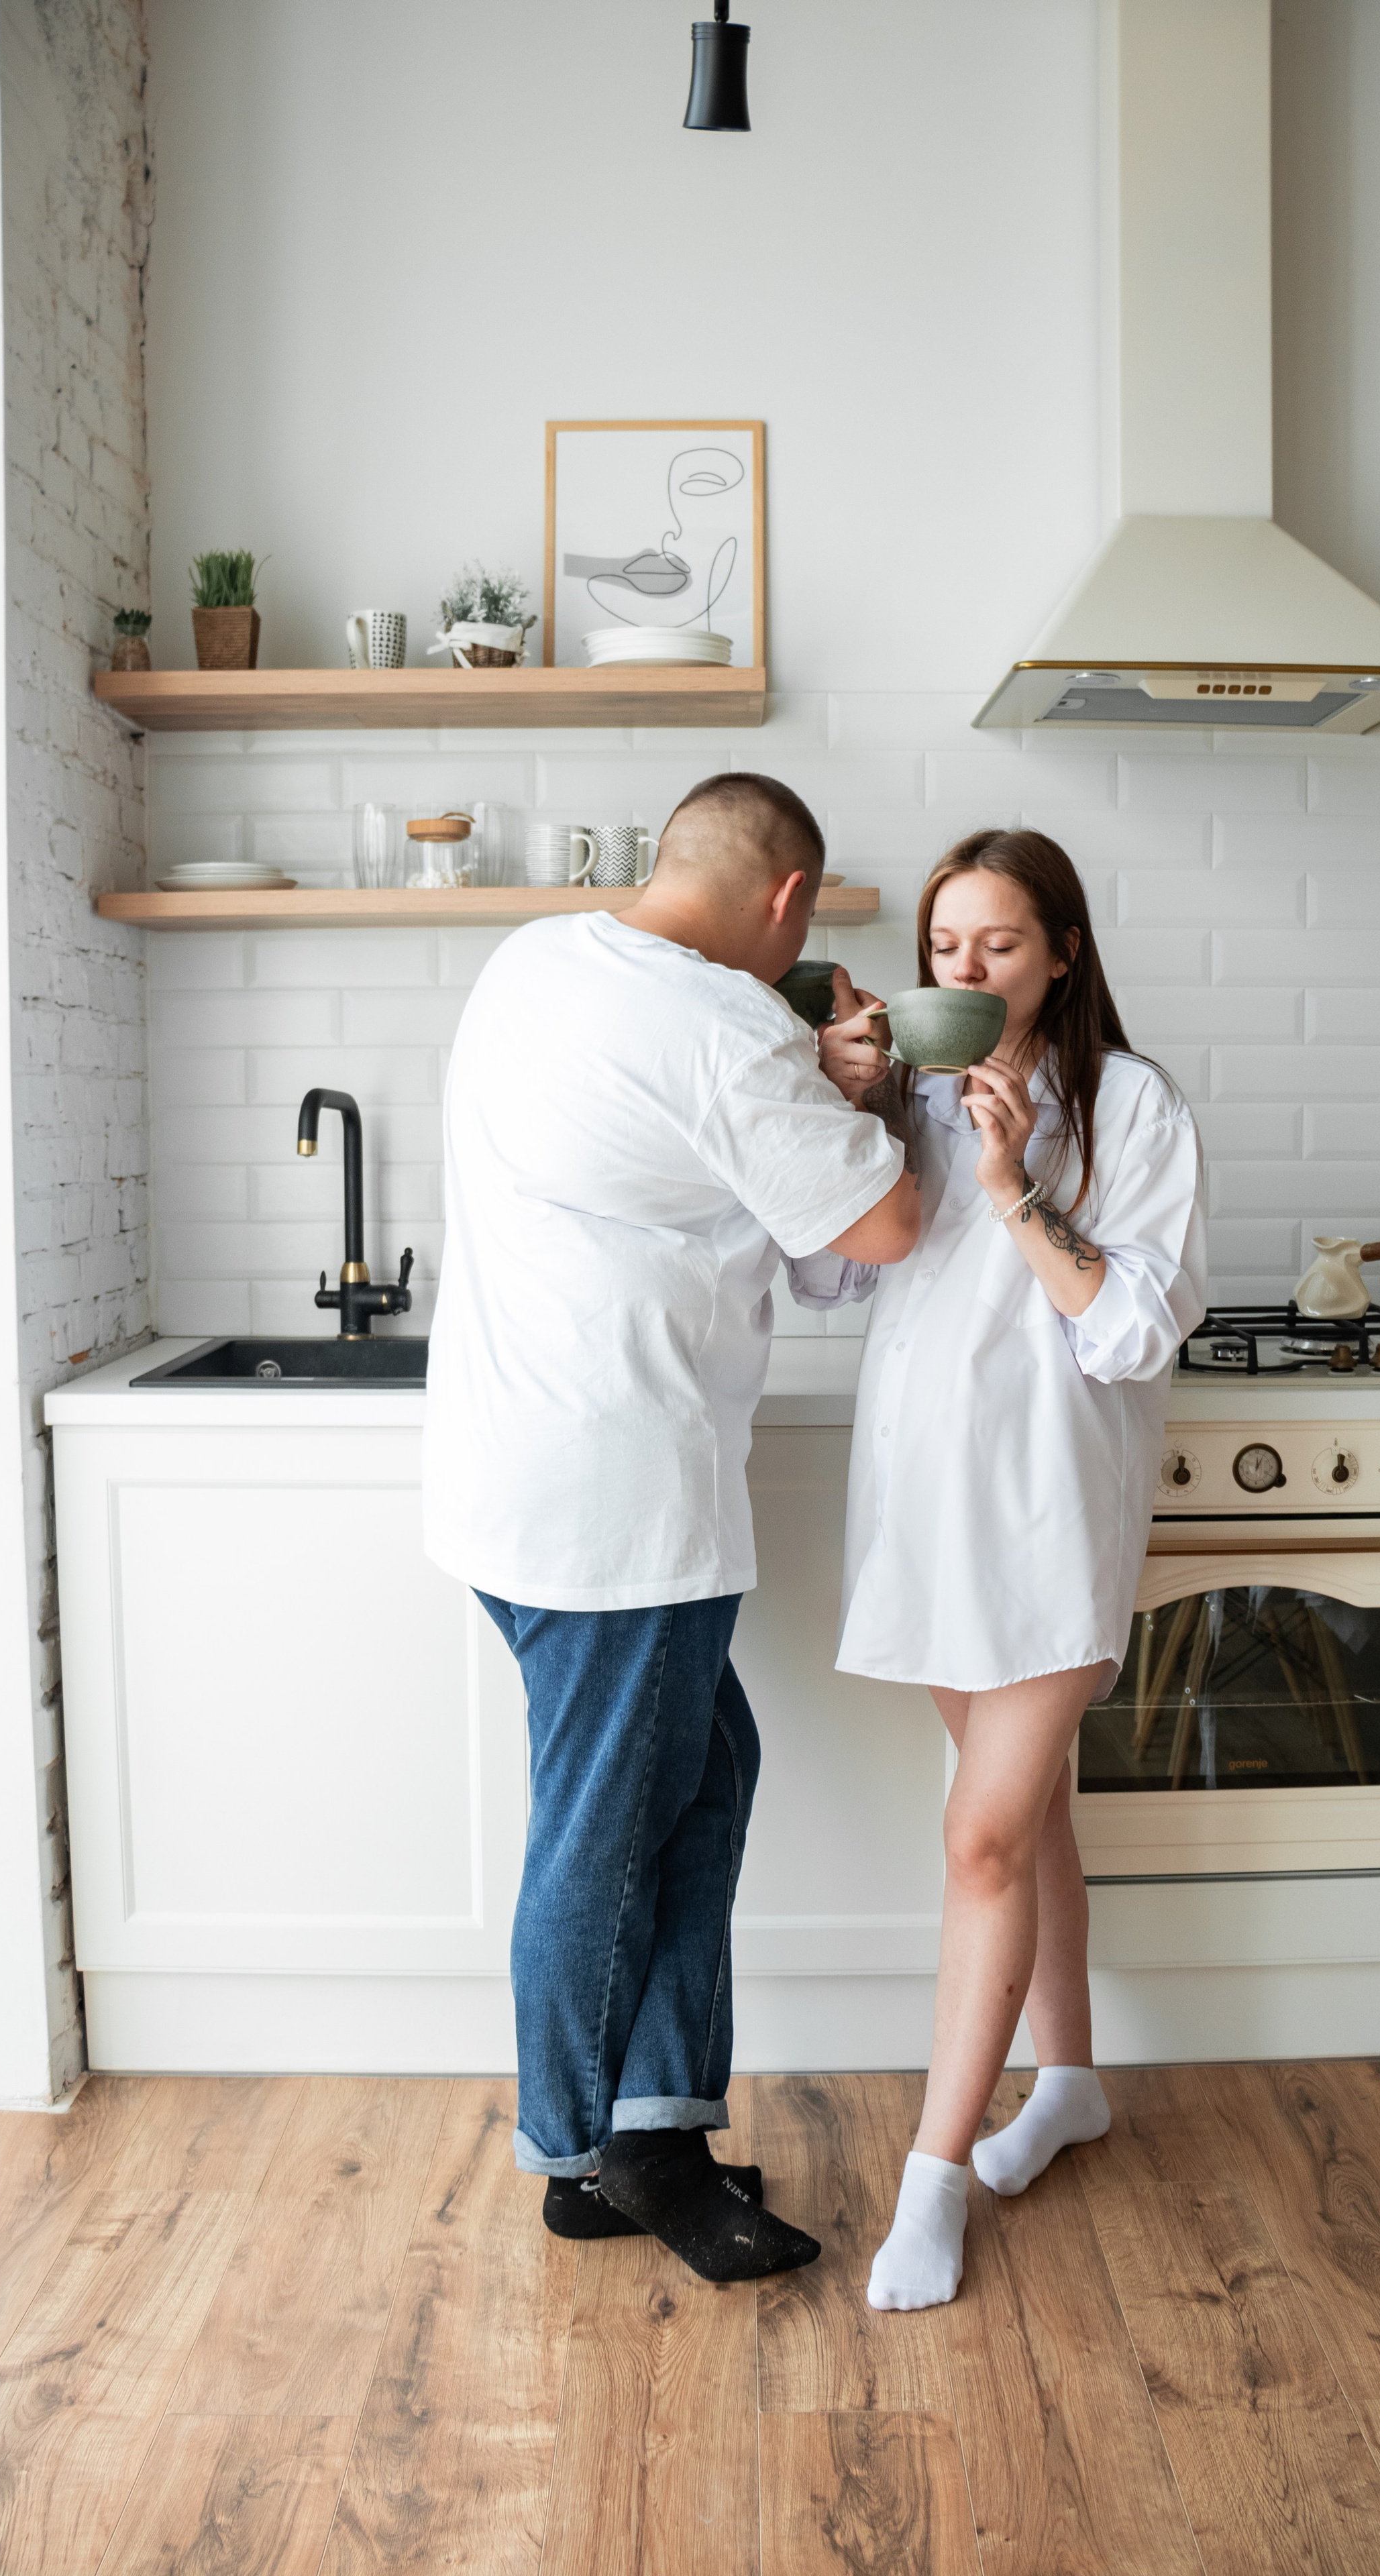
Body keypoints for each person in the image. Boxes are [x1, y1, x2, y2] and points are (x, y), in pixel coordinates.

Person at [423, 771, 919, 2281]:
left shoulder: (536, 959)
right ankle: (597, 2155)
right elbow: (879, 1229)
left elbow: (689, 1153)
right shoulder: (725, 1029)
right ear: (786, 904)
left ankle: (641, 2124)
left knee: (700, 1773)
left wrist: (797, 1076)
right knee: (612, 1827)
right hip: (620, 1506)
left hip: (514, 1487)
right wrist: (868, 1089)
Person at [794, 827, 1206, 2311]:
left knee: (978, 1842)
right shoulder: (902, 1091)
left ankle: (932, 2179)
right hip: (921, 1502)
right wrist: (842, 1116)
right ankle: (1072, 2082)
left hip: (1045, 1514)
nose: (964, 973)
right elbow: (831, 1271)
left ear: (1062, 954)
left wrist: (1012, 1175)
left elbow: (1132, 1333)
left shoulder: (1132, 1107)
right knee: (1027, 1830)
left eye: (1000, 946)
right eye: (945, 948)